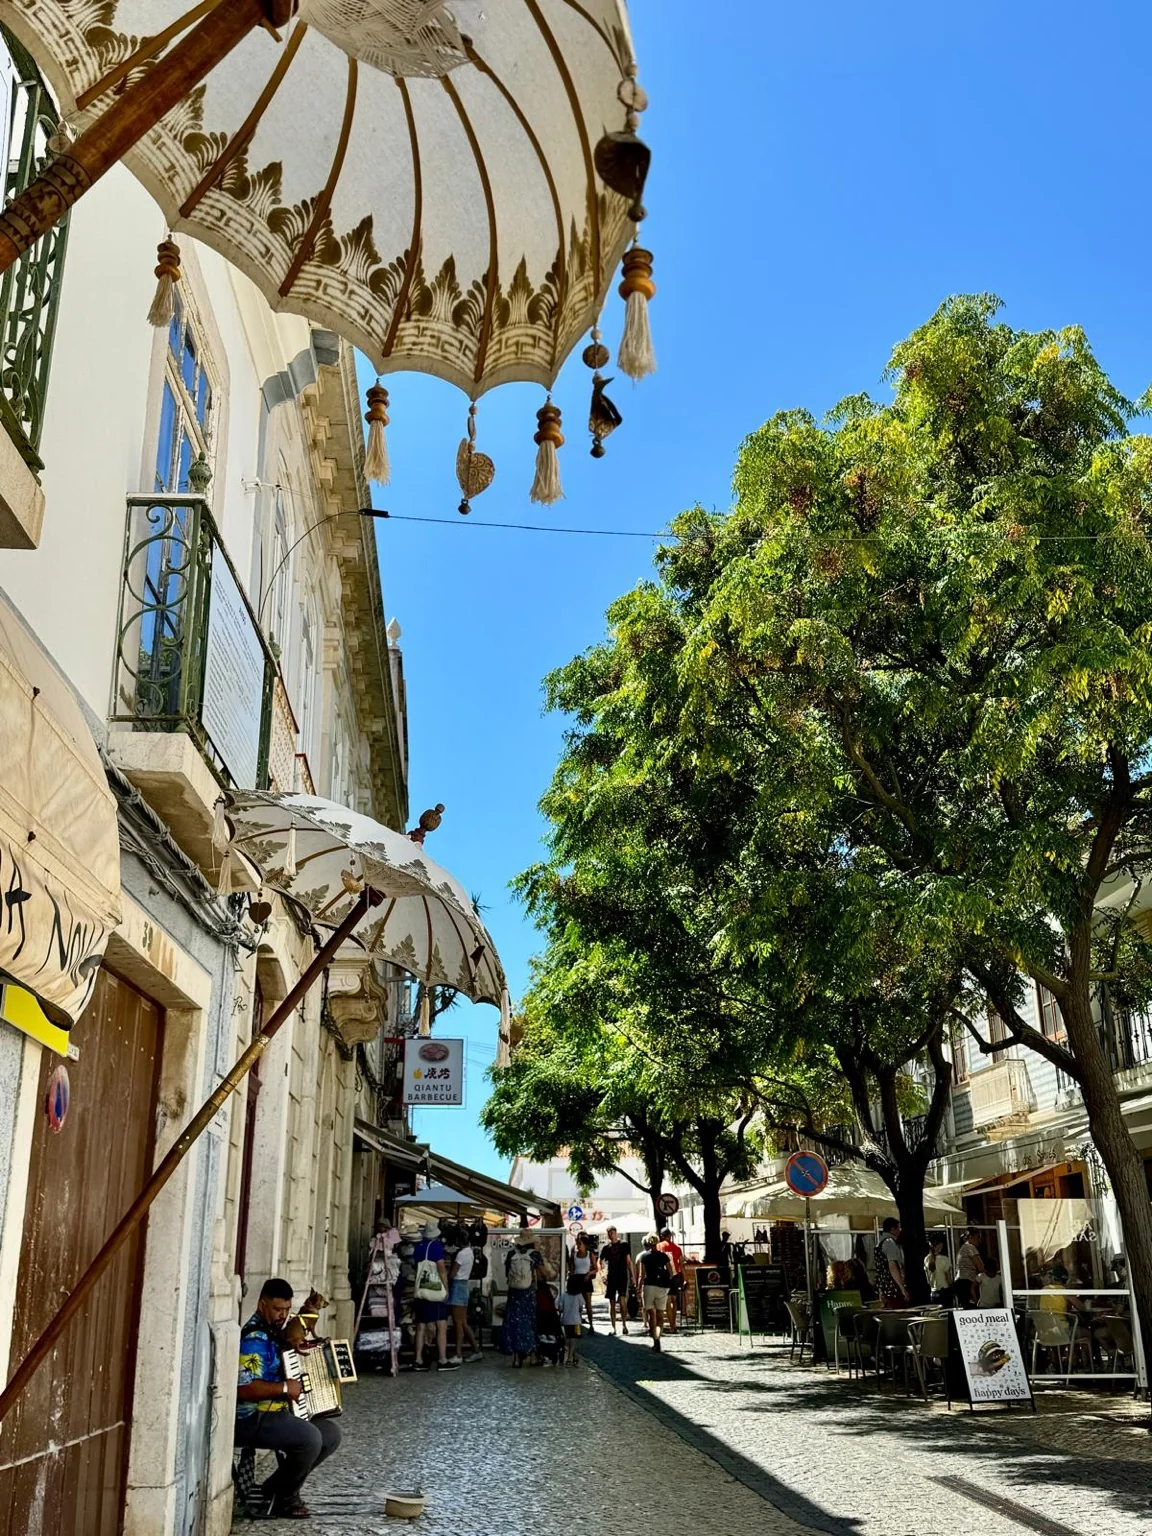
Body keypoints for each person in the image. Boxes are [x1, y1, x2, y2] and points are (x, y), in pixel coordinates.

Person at [234, 1277, 342, 1520]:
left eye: (286, 1310)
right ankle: (285, 1495)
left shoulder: (274, 1332)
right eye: (277, 1309)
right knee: (311, 1438)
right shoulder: (254, 1339)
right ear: (262, 1305)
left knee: (330, 1434)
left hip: (276, 1412)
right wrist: (284, 1387)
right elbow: (244, 1389)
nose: (283, 1315)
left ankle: (276, 1490)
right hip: (251, 1417)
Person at [413, 1220, 458, 1371]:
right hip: (434, 1291)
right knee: (441, 1325)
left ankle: (418, 1359)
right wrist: (446, 1288)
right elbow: (440, 1269)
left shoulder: (418, 1246)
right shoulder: (436, 1247)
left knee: (421, 1326)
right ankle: (442, 1359)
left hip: (421, 1291)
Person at [502, 1233, 540, 1366]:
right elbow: (542, 1273)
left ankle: (516, 1358)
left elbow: (507, 1273)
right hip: (528, 1293)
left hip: (514, 1293)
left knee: (513, 1323)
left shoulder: (511, 1254)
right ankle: (532, 1355)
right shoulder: (534, 1254)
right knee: (529, 1322)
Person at [637, 1233, 673, 1351]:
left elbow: (642, 1276)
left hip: (649, 1286)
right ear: (657, 1242)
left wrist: (638, 1287)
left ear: (648, 1243)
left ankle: (655, 1341)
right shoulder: (664, 1256)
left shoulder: (644, 1257)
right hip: (662, 1286)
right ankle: (658, 1337)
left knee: (651, 1315)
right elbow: (671, 1272)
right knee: (660, 1315)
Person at [448, 1240, 481, 1364]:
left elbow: (453, 1273)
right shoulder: (470, 1252)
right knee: (463, 1322)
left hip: (457, 1286)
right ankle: (476, 1350)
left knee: (458, 1323)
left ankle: (458, 1354)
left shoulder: (461, 1254)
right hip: (464, 1285)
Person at [601, 1226, 636, 1334]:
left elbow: (629, 1261)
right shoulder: (606, 1248)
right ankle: (613, 1327)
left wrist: (632, 1276)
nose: (611, 1235)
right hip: (611, 1276)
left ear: (616, 1233)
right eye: (609, 1233)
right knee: (611, 1301)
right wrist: (602, 1274)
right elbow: (600, 1261)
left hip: (622, 1275)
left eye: (612, 1233)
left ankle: (624, 1324)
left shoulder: (624, 1245)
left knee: (622, 1299)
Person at [875, 1217, 909, 1307]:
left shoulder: (879, 1244)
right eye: (898, 1228)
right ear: (892, 1229)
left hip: (884, 1288)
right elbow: (892, 1266)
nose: (900, 1230)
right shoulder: (890, 1243)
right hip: (894, 1288)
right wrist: (902, 1289)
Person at [658, 1228, 685, 1333]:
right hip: (676, 1275)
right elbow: (682, 1264)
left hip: (665, 1276)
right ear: (670, 1236)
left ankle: (672, 1326)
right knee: (674, 1300)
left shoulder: (659, 1246)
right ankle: (674, 1325)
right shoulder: (677, 1248)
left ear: (661, 1236)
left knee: (668, 1301)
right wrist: (685, 1279)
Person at [955, 1229, 985, 1308]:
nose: (979, 1240)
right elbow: (980, 1267)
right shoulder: (970, 1247)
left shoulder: (963, 1248)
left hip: (961, 1282)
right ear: (970, 1237)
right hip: (967, 1283)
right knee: (973, 1309)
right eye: (978, 1237)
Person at [924, 1235, 954, 1305]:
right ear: (939, 1245)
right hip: (944, 1291)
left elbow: (928, 1278)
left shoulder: (926, 1259)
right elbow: (948, 1278)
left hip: (933, 1291)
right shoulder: (944, 1259)